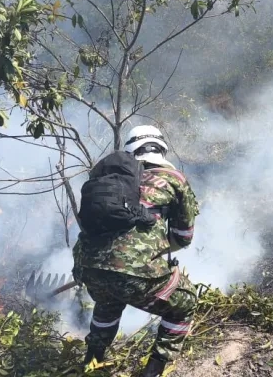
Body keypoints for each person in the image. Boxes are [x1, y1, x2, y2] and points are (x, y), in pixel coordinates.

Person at [72, 125, 200, 377]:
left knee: (108, 303)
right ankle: (153, 370)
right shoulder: (174, 179)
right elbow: (184, 236)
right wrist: (158, 247)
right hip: (134, 272)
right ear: (161, 149)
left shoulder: (107, 179)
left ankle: (91, 362)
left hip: (87, 265)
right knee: (185, 303)